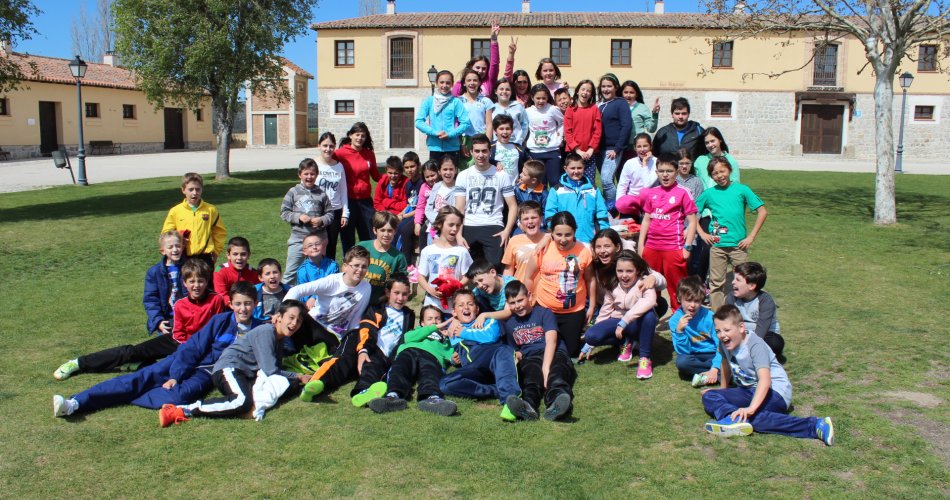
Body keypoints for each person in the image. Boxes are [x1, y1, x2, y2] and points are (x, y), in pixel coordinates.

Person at [53, 282, 263, 418]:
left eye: (247, 304)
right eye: (238, 304)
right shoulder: (220, 320)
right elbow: (193, 347)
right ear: (231, 304)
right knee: (140, 379)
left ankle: (125, 393)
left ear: (255, 304)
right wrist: (176, 375)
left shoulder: (260, 328)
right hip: (181, 361)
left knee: (176, 397)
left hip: (206, 373)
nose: (242, 309)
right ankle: (74, 403)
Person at [53, 259, 226, 380]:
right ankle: (78, 363)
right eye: (192, 281)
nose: (196, 285)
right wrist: (187, 347)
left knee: (168, 369)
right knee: (132, 351)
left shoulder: (216, 300)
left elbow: (218, 329)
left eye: (201, 281)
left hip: (202, 347)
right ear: (185, 283)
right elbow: (178, 333)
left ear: (207, 282)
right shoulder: (180, 304)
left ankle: (139, 365)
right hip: (179, 342)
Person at [158, 300, 312, 425]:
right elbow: (271, 370)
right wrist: (298, 375)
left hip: (247, 375)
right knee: (242, 401)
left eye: (298, 321)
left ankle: (248, 408)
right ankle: (182, 409)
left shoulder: (280, 340)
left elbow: (273, 371)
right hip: (229, 368)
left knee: (288, 384)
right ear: (278, 317)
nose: (294, 323)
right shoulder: (266, 331)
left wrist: (297, 378)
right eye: (291, 318)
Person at [701, 305, 834, 446]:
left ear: (741, 327)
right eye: (718, 331)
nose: (722, 335)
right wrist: (723, 390)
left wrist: (751, 409)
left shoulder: (755, 345)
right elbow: (725, 366)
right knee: (709, 395)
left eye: (726, 330)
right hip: (749, 391)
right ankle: (732, 418)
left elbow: (765, 380)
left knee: (754, 417)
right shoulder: (724, 344)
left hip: (775, 391)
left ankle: (815, 425)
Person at [301, 273, 416, 404]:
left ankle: (363, 392)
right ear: (388, 292)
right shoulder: (376, 308)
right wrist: (363, 350)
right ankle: (316, 383)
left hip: (380, 353)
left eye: (405, 294)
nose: (400, 298)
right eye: (396, 293)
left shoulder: (409, 315)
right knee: (342, 361)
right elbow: (368, 328)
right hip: (361, 341)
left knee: (372, 368)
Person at [438, 289, 525, 422]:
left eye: (470, 304)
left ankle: (510, 401)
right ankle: (495, 390)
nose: (466, 307)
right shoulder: (452, 328)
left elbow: (490, 337)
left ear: (477, 309)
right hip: (473, 369)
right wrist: (453, 360)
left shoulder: (489, 321)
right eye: (460, 305)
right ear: (454, 312)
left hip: (492, 358)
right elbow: (449, 349)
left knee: (503, 350)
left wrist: (463, 332)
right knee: (445, 383)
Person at [695, 157, 768, 309]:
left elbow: (762, 212)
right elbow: (692, 213)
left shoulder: (742, 190)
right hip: (717, 246)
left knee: (746, 282)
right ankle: (718, 318)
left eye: (722, 171)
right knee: (716, 284)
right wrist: (702, 233)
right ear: (711, 176)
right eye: (715, 173)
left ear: (729, 170)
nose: (720, 175)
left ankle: (746, 313)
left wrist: (751, 237)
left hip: (738, 246)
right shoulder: (709, 194)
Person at [523, 211, 596, 357]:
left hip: (574, 311)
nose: (563, 239)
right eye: (558, 235)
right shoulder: (542, 249)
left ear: (575, 231)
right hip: (545, 309)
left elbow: (590, 279)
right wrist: (529, 301)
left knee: (570, 352)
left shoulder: (584, 251)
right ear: (551, 233)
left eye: (568, 235)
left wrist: (592, 305)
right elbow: (528, 276)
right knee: (543, 349)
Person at [502, 280, 576, 421]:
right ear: (508, 303)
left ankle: (556, 405)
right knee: (531, 379)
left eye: (520, 300)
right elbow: (515, 349)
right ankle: (528, 407)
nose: (517, 306)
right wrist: (517, 356)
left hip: (555, 353)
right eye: (512, 303)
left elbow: (551, 340)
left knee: (557, 376)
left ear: (529, 296)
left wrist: (546, 368)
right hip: (531, 358)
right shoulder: (510, 324)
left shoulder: (544, 313)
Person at [367, 305, 458, 416]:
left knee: (431, 373)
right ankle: (393, 396)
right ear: (422, 323)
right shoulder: (417, 331)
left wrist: (453, 359)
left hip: (431, 356)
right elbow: (407, 338)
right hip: (409, 351)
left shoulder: (446, 338)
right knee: (399, 369)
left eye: (438, 318)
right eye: (430, 319)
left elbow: (449, 354)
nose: (434, 321)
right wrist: (433, 328)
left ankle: (432, 398)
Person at [581, 250, 658, 378]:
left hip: (636, 323)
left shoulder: (644, 282)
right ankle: (625, 341)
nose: (624, 275)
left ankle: (645, 358)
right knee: (591, 336)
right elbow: (606, 310)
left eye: (629, 271)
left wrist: (625, 320)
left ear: (637, 270)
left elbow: (650, 300)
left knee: (649, 315)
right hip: (618, 322)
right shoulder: (612, 284)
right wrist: (590, 343)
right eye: (620, 271)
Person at [637, 154, 698, 311]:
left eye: (669, 171)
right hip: (651, 248)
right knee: (648, 288)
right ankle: (649, 320)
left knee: (677, 289)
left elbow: (692, 222)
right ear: (656, 172)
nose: (665, 175)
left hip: (674, 248)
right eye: (661, 171)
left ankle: (681, 325)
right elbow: (646, 220)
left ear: (676, 172)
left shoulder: (683, 192)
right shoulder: (652, 193)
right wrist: (641, 245)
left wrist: (687, 247)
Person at [453, 133, 517, 263]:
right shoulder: (463, 175)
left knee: (494, 266)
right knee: (465, 267)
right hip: (469, 224)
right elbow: (459, 208)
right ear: (471, 152)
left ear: (490, 152)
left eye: (484, 151)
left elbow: (513, 205)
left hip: (493, 224)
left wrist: (506, 231)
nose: (480, 155)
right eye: (477, 151)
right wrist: (458, 235)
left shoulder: (502, 175)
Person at [286, 245, 372, 340]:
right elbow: (296, 290)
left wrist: (351, 339)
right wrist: (284, 313)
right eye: (356, 265)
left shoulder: (366, 288)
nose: (360, 270)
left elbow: (356, 319)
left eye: (364, 267)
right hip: (315, 324)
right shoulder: (332, 281)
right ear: (345, 267)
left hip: (336, 335)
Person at [280, 158, 334, 286]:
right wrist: (298, 217)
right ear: (300, 174)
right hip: (298, 239)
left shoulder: (322, 194)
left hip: (318, 241)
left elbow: (331, 214)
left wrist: (321, 220)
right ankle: (286, 300)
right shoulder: (293, 192)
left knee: (318, 272)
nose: (309, 177)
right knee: (291, 273)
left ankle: (315, 299)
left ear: (317, 175)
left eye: (312, 174)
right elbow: (284, 212)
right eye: (306, 174)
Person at [161, 172, 226, 266]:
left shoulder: (210, 210)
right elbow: (166, 233)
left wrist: (216, 251)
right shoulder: (175, 211)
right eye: (191, 189)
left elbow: (219, 232)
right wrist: (179, 236)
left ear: (202, 190)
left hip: (205, 256)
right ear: (183, 190)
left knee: (205, 281)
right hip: (183, 256)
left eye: (198, 189)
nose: (194, 193)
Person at [544, 152, 609, 245]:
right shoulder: (556, 190)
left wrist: (604, 234)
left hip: (589, 238)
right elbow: (550, 214)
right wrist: (555, 233)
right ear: (565, 169)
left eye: (579, 168)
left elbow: (601, 213)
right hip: (565, 240)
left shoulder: (593, 190)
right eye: (572, 168)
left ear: (584, 168)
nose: (576, 171)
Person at [417, 206, 472, 313]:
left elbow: (469, 275)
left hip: (454, 308)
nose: (455, 229)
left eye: (458, 225)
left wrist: (456, 287)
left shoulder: (462, 251)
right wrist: (430, 290)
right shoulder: (428, 251)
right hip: (432, 305)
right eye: (451, 225)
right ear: (439, 224)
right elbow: (420, 276)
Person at [669, 276, 722, 387]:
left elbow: (720, 345)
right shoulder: (675, 320)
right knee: (682, 363)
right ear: (679, 299)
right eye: (688, 300)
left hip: (712, 353)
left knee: (727, 359)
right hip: (693, 355)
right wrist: (679, 332)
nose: (692, 305)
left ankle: (713, 373)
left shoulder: (710, 316)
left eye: (697, 301)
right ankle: (720, 374)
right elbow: (683, 351)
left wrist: (715, 367)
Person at [336, 122, 380, 252]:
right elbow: (328, 166)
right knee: (347, 237)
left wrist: (395, 177)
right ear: (350, 135)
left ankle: (369, 265)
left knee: (369, 235)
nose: (360, 138)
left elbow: (376, 176)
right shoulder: (340, 154)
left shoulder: (369, 154)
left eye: (363, 136)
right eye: (357, 135)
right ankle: (349, 265)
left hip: (365, 202)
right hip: (347, 201)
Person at [726, 262, 784, 358]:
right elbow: (728, 322)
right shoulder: (731, 298)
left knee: (775, 343)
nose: (733, 282)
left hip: (763, 334)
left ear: (751, 286)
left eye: (738, 280)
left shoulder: (765, 301)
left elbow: (761, 330)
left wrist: (748, 346)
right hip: (741, 333)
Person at [595, 74, 632, 211]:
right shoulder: (600, 105)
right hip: (600, 149)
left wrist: (617, 148)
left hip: (612, 149)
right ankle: (606, 208)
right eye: (603, 86)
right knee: (605, 182)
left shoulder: (620, 103)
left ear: (615, 87)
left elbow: (626, 126)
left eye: (609, 86)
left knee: (606, 180)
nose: (606, 89)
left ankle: (615, 210)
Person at [416, 69, 469, 164]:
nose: (444, 85)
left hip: (452, 147)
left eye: (448, 83)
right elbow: (418, 122)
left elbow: (465, 123)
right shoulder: (429, 101)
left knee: (451, 176)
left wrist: (450, 134)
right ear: (436, 83)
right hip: (435, 147)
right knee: (435, 176)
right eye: (441, 82)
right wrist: (434, 133)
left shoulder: (456, 102)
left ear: (452, 84)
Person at [357, 211, 409, 304]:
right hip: (357, 297)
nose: (386, 234)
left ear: (395, 232)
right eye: (382, 230)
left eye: (390, 231)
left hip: (380, 302)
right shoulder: (362, 246)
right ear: (374, 230)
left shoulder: (398, 257)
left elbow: (400, 283)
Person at [143, 230, 185, 337]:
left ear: (183, 247)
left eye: (178, 246)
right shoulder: (154, 272)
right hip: (167, 319)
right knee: (165, 350)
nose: (175, 249)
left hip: (187, 317)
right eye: (170, 247)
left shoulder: (190, 267)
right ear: (163, 251)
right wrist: (158, 321)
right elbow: (150, 299)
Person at [314, 132, 349, 261]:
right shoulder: (313, 164)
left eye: (331, 146)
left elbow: (343, 191)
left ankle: (329, 273)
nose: (328, 149)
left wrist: (345, 213)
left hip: (335, 210)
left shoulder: (339, 166)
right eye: (325, 146)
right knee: (316, 244)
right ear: (319, 146)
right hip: (317, 211)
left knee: (331, 245)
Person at [524, 84, 564, 187]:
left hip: (552, 151)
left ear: (547, 98)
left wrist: (559, 138)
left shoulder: (553, 109)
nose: (541, 101)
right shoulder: (527, 111)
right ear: (532, 97)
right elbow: (523, 127)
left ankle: (555, 202)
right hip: (535, 152)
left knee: (555, 181)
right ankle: (541, 202)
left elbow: (562, 122)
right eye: (538, 98)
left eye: (544, 98)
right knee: (540, 183)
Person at [564, 79, 602, 185]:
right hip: (574, 153)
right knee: (572, 181)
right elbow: (568, 132)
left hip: (589, 154)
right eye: (583, 89)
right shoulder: (570, 110)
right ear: (577, 91)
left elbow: (597, 131)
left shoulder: (594, 109)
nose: (585, 92)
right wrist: (577, 150)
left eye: (588, 91)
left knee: (589, 182)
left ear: (591, 94)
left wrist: (591, 149)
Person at [502, 201, 547, 284]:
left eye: (534, 217)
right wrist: (507, 290)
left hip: (544, 293)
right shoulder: (514, 241)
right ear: (520, 223)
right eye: (525, 219)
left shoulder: (550, 239)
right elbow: (509, 269)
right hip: (521, 292)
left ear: (541, 219)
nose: (530, 221)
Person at [452, 23, 501, 97]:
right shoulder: (459, 85)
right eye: (477, 67)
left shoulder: (489, 82)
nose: (480, 71)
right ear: (471, 67)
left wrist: (494, 40)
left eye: (484, 68)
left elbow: (495, 64)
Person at [615, 133, 658, 219]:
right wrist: (619, 204)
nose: (642, 149)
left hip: (650, 197)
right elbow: (622, 185)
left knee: (644, 192)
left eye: (645, 146)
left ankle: (647, 213)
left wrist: (645, 163)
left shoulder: (657, 162)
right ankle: (638, 213)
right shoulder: (630, 163)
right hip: (633, 198)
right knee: (620, 204)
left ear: (651, 146)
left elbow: (647, 185)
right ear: (635, 148)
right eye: (639, 146)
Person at [396, 152, 424, 273]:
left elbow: (420, 206)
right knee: (393, 224)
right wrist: (400, 214)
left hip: (420, 214)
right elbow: (409, 204)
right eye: (406, 167)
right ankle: (395, 257)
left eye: (412, 166)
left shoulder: (422, 182)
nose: (410, 170)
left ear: (418, 165)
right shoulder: (408, 184)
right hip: (410, 213)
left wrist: (404, 216)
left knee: (405, 229)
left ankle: (407, 264)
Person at [421, 156, 459, 246]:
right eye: (445, 169)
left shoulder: (458, 189)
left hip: (448, 229)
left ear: (456, 170)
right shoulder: (437, 186)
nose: (448, 172)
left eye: (451, 169)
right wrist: (437, 222)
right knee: (432, 250)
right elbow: (428, 208)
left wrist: (443, 223)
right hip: (434, 226)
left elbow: (455, 211)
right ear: (439, 171)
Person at [458, 68, 494, 164]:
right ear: (464, 83)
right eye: (469, 80)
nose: (472, 83)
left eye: (475, 80)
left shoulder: (486, 101)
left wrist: (488, 143)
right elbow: (456, 124)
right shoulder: (458, 101)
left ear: (479, 83)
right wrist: (460, 144)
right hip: (464, 140)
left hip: (481, 138)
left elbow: (489, 124)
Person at [295, 233, 340, 308]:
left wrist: (315, 297)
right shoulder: (302, 271)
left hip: (331, 302)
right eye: (310, 245)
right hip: (310, 306)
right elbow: (303, 293)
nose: (314, 247)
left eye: (317, 244)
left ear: (323, 246)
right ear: (304, 251)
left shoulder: (332, 266)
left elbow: (332, 287)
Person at [620, 80, 660, 163]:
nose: (628, 95)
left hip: (636, 148)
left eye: (632, 92)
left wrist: (655, 114)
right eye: (626, 92)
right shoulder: (617, 107)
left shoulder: (642, 108)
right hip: (620, 147)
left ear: (636, 94)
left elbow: (651, 129)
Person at [213, 236, 261, 302]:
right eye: (235, 254)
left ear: (249, 255)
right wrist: (236, 305)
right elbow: (221, 295)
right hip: (226, 308)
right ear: (228, 255)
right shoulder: (220, 271)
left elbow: (259, 294)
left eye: (243, 254)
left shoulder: (254, 273)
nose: (239, 258)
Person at [489, 78, 529, 147]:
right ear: (496, 91)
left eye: (507, 89)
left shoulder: (518, 107)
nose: (504, 91)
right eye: (501, 89)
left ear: (511, 92)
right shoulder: (491, 108)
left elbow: (524, 124)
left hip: (515, 144)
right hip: (498, 146)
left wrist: (521, 139)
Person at [489, 114, 527, 180]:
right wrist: (495, 162)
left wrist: (522, 179)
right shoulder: (489, 147)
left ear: (512, 131)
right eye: (501, 129)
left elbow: (529, 166)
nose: (505, 132)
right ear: (495, 131)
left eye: (508, 129)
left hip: (514, 187)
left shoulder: (519, 148)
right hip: (496, 186)